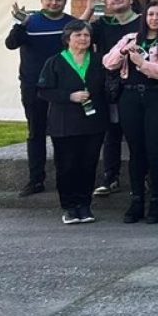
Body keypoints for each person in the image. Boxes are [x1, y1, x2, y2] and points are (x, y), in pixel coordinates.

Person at [103, 3, 158, 224]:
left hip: (157, 97)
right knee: (135, 151)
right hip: (130, 97)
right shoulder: (130, 38)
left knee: (155, 150)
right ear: (144, 17)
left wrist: (142, 63)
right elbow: (108, 62)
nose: (154, 18)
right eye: (151, 14)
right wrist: (122, 52)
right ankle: (136, 199)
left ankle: (156, 201)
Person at [5, 0, 76, 197]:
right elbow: (11, 44)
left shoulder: (71, 24)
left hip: (63, 90)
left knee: (63, 134)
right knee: (36, 132)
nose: (54, 3)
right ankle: (36, 180)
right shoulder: (29, 21)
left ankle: (67, 179)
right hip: (33, 87)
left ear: (65, 0)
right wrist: (20, 24)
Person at [36, 21, 108, 224]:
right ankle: (69, 207)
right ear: (68, 39)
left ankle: (85, 205)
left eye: (86, 35)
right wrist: (69, 96)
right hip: (64, 124)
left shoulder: (99, 60)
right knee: (67, 166)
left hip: (93, 123)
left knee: (88, 165)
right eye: (78, 35)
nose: (83, 39)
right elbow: (43, 91)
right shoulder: (54, 62)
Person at [89, 0, 139, 197]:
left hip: (137, 82)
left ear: (130, 0)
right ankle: (110, 178)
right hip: (110, 85)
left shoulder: (142, 22)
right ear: (107, 3)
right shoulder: (103, 24)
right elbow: (73, 34)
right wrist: (90, 9)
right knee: (112, 133)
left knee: (137, 133)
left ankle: (141, 178)